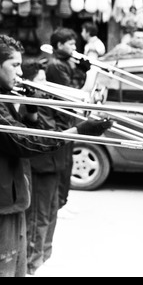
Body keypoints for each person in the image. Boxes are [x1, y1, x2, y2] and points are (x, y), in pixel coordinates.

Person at [0, 34, 112, 277]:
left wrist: (31, 114)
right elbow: (23, 142)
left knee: (17, 273)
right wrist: (78, 131)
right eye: (15, 65)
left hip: (13, 203)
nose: (20, 72)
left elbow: (21, 136)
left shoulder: (3, 99)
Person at [19, 59, 111, 276]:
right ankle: (32, 262)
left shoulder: (49, 102)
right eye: (40, 80)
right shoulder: (29, 106)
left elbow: (65, 124)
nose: (45, 84)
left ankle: (43, 256)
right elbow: (47, 137)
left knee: (51, 213)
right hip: (40, 167)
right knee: (38, 218)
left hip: (55, 165)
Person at [45, 27, 92, 218]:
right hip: (60, 118)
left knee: (67, 162)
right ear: (59, 45)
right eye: (70, 44)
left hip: (68, 117)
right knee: (61, 162)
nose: (74, 47)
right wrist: (87, 75)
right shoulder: (56, 65)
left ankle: (62, 201)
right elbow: (73, 93)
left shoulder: (66, 62)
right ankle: (58, 204)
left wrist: (81, 69)